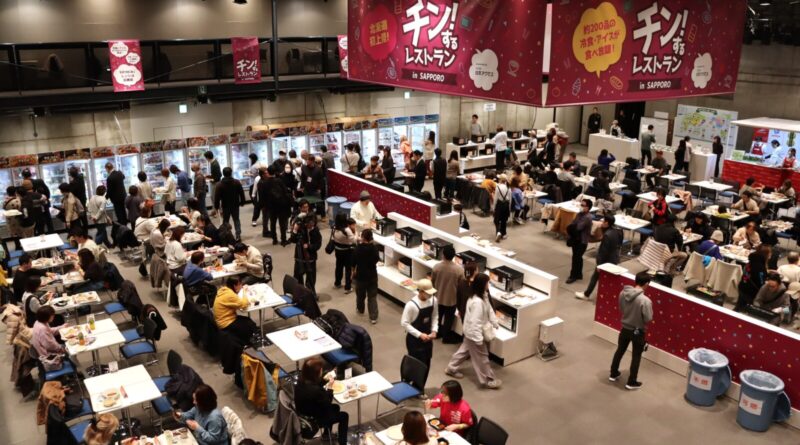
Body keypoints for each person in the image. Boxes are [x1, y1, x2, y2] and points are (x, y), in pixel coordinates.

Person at [445, 273, 502, 389]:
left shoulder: (482, 296)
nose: (489, 284)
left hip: (471, 333)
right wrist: (478, 339)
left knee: (464, 351)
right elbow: (475, 322)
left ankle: (451, 368)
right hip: (474, 334)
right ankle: (488, 380)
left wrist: (494, 322)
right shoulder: (477, 302)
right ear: (482, 284)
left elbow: (489, 310)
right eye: (487, 282)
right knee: (482, 357)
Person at [609, 271, 653, 390]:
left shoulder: (623, 293)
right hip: (638, 331)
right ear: (646, 284)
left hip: (625, 328)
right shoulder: (645, 301)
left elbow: (621, 309)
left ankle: (613, 373)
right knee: (636, 356)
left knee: (620, 351)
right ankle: (631, 381)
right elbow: (648, 318)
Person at [294, 357, 349, 445]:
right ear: (315, 373)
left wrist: (325, 379)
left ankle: (326, 434)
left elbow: (315, 384)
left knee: (335, 407)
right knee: (344, 416)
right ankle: (343, 442)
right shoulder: (316, 391)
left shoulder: (300, 381)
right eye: (320, 370)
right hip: (315, 420)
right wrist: (330, 387)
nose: (321, 371)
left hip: (303, 414)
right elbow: (327, 402)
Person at [576, 215, 622, 300]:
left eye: (603, 221)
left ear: (607, 223)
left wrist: (599, 265)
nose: (601, 223)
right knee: (608, 280)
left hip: (606, 262)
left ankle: (586, 294)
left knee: (595, 277)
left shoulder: (607, 235)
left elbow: (603, 252)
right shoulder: (617, 231)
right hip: (614, 259)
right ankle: (607, 296)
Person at [402, 278, 438, 383]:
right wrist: (419, 335)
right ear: (421, 291)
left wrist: (434, 330)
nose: (430, 295)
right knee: (414, 364)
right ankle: (407, 384)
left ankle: (420, 387)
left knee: (426, 364)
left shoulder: (434, 301)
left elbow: (435, 316)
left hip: (428, 340)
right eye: (428, 293)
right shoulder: (411, 305)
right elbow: (404, 323)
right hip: (414, 340)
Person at [432, 245, 464, 344]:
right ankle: (446, 337)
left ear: (443, 254)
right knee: (448, 319)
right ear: (453, 256)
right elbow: (461, 286)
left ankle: (437, 333)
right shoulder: (459, 270)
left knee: (437, 317)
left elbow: (432, 281)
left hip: (438, 297)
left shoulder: (436, 267)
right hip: (451, 299)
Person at [213, 276, 256, 345]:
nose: (241, 286)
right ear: (234, 286)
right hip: (225, 323)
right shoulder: (230, 295)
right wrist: (244, 291)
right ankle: (244, 342)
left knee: (248, 320)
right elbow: (244, 305)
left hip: (222, 319)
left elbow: (235, 300)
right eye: (240, 284)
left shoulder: (224, 290)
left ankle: (244, 338)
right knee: (250, 325)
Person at [352, 229, 380, 324]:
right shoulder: (374, 248)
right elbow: (376, 259)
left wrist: (353, 271)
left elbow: (353, 262)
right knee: (372, 297)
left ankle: (360, 309)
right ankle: (373, 317)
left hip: (361, 276)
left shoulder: (358, 249)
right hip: (372, 275)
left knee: (360, 295)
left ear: (363, 237)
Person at [260, 166, 291, 245]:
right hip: (281, 205)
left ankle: (274, 239)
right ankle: (283, 240)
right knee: (282, 223)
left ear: (268, 172)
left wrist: (264, 205)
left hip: (271, 206)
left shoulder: (264, 183)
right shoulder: (279, 181)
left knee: (272, 223)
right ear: (275, 172)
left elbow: (262, 196)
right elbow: (285, 192)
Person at [292, 214, 322, 295]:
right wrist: (295, 230)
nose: (311, 225)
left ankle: (311, 295)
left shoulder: (316, 231)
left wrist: (309, 246)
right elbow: (293, 240)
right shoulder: (301, 229)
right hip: (299, 258)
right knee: (298, 278)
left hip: (311, 259)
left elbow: (318, 245)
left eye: (313, 223)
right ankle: (299, 295)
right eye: (309, 223)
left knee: (311, 280)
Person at [736, 245, 772, 311]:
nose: (771, 254)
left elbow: (753, 273)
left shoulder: (752, 261)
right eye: (770, 253)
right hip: (750, 292)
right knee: (745, 310)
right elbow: (761, 282)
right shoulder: (760, 266)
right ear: (765, 254)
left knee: (739, 307)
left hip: (743, 286)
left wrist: (766, 272)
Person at [566, 199, 593, 284]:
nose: (581, 206)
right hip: (576, 239)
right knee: (578, 257)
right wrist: (572, 226)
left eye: (583, 205)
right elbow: (573, 224)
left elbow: (578, 227)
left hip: (582, 241)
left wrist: (572, 226)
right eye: (581, 205)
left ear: (588, 207)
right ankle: (579, 274)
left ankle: (573, 276)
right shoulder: (579, 214)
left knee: (576, 258)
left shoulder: (587, 217)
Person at [214, 167, 245, 240]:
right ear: (231, 173)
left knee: (225, 221)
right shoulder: (236, 182)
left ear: (223, 174)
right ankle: (238, 235)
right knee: (236, 220)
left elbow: (217, 197)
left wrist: (216, 206)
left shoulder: (219, 184)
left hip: (225, 206)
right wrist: (242, 202)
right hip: (235, 204)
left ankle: (226, 235)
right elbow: (241, 193)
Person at [22, 169, 53, 234]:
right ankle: (51, 233)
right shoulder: (39, 181)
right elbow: (47, 191)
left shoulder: (25, 184)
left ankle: (38, 235)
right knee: (48, 220)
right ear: (31, 174)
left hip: (34, 208)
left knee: (37, 223)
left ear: (23, 176)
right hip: (44, 204)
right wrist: (46, 199)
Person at [331, 214, 356, 294]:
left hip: (338, 251)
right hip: (347, 252)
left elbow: (333, 238)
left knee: (339, 267)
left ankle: (337, 283)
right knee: (348, 269)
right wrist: (356, 233)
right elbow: (353, 240)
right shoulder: (347, 230)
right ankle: (348, 287)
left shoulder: (334, 227)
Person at [493, 174, 511, 242]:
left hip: (499, 204)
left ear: (500, 179)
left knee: (496, 220)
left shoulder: (498, 187)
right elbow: (510, 199)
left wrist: (494, 207)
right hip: (506, 204)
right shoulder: (508, 188)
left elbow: (495, 198)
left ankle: (498, 232)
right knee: (504, 220)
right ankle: (504, 234)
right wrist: (509, 208)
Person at [204, 151, 222, 217]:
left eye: (206, 157)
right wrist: (208, 176)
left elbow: (218, 176)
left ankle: (217, 211)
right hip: (215, 182)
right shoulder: (213, 162)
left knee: (214, 197)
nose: (206, 159)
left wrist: (210, 179)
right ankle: (215, 210)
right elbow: (215, 174)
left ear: (207, 157)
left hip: (215, 183)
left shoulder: (214, 164)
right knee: (213, 197)